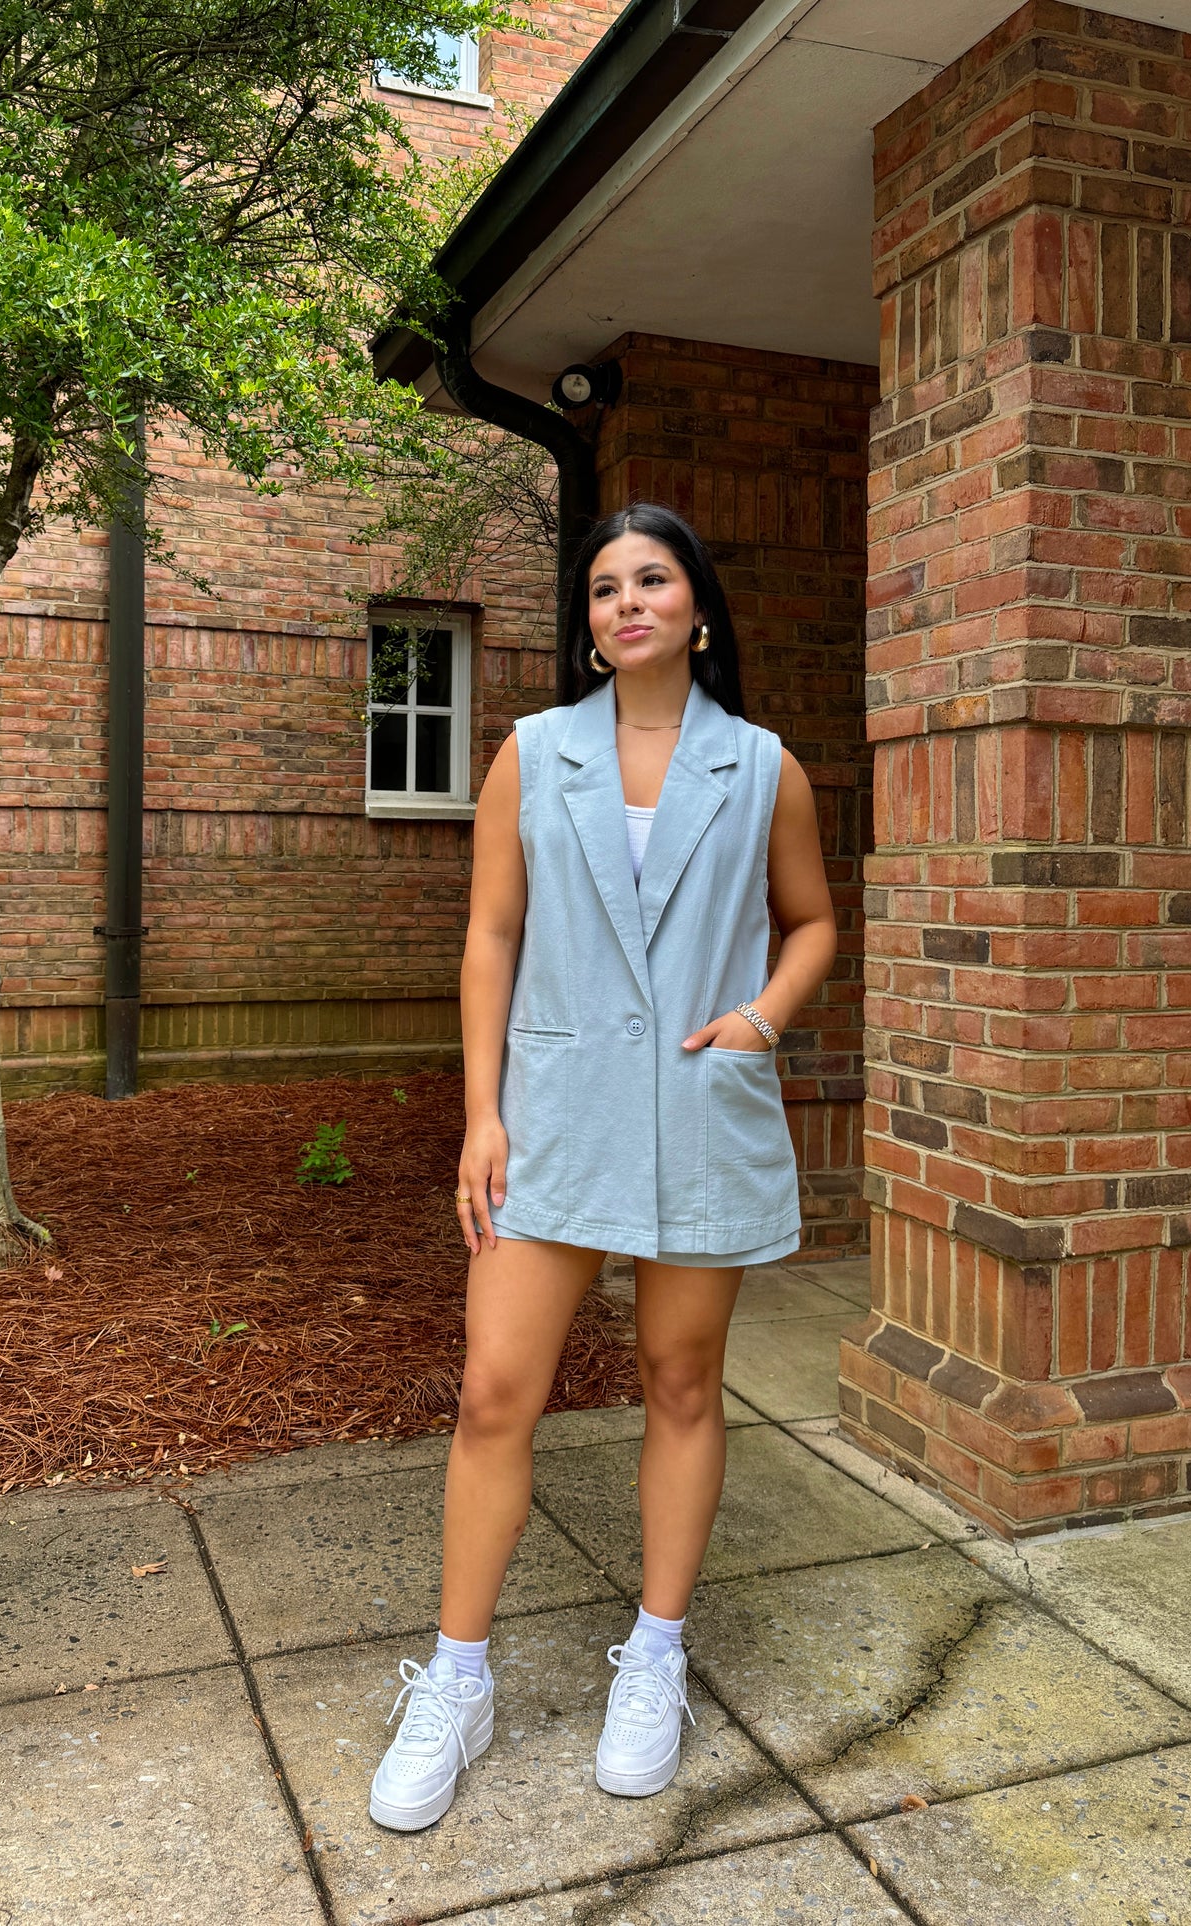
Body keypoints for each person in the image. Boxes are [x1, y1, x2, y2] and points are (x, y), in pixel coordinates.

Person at [368, 502, 838, 1832]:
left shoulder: (761, 770)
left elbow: (810, 922)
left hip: (700, 1106)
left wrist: (761, 1015)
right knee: (492, 1392)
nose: (624, 601)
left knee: (681, 1380)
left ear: (696, 607)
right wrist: (480, 1111)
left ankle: (654, 1653)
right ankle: (455, 1681)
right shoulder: (532, 754)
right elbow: (488, 938)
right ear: (587, 626)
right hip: (553, 1114)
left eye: (651, 579)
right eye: (601, 588)